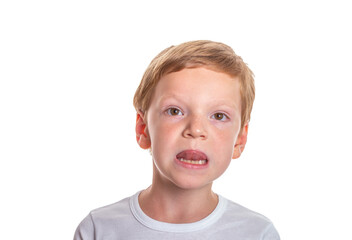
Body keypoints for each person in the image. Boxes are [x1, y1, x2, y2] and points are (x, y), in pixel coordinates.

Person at [73, 40, 280, 240]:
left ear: (239, 140)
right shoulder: (98, 230)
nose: (196, 129)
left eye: (218, 116)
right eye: (175, 111)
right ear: (143, 128)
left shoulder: (257, 234)